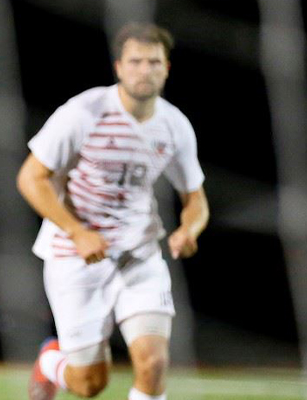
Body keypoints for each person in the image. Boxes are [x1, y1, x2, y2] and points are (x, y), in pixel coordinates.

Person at [17, 23, 209, 400]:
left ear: (166, 68)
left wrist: (190, 230)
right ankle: (50, 362)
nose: (144, 70)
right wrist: (77, 231)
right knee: (89, 384)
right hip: (75, 257)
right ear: (119, 67)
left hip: (139, 254)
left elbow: (196, 199)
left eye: (153, 62)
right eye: (135, 61)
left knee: (153, 363)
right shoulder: (83, 112)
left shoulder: (174, 125)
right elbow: (30, 178)